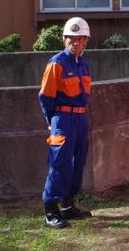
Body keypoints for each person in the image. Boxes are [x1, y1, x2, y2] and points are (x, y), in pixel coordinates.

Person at [39, 17, 93, 229]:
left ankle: (68, 205)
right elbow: (46, 97)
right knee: (59, 163)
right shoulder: (57, 64)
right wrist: (52, 122)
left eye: (80, 38)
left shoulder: (83, 65)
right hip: (63, 118)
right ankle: (51, 209)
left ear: (86, 40)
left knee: (78, 163)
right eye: (71, 38)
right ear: (64, 39)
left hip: (80, 118)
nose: (75, 42)